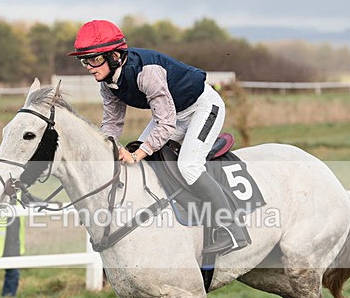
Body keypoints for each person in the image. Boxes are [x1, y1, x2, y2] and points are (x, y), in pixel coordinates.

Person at [68, 20, 248, 255]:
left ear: (114, 56)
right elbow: (112, 124)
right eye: (85, 61)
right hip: (172, 113)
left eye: (94, 59)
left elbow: (165, 123)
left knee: (188, 165)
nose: (89, 66)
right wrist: (108, 150)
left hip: (202, 108)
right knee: (141, 160)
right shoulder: (107, 83)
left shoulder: (147, 73)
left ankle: (232, 229)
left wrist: (137, 154)